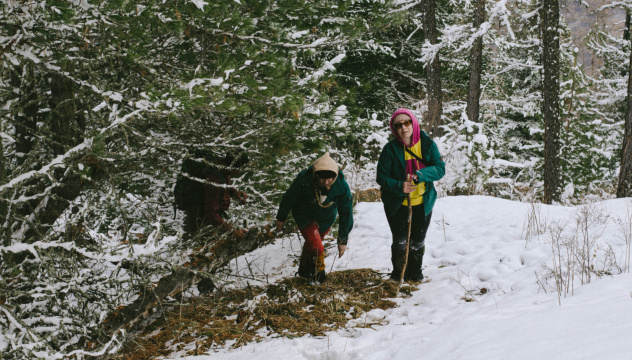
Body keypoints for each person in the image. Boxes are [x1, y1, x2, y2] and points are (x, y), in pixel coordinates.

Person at [376, 108, 445, 282]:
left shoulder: (427, 144)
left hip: (423, 202)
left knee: (417, 241)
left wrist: (421, 175)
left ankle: (415, 275)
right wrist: (400, 186)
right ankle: (399, 274)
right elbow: (381, 177)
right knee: (400, 241)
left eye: (407, 123)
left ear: (413, 123)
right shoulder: (390, 149)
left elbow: (439, 169)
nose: (403, 128)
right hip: (397, 203)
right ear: (394, 129)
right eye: (398, 125)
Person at [275, 152, 354, 283]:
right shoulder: (304, 179)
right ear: (315, 175)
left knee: (312, 244)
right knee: (317, 246)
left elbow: (346, 212)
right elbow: (289, 197)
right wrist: (281, 217)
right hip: (304, 216)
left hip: (326, 218)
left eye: (330, 178)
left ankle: (304, 272)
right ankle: (319, 276)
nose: (326, 182)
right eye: (322, 178)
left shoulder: (341, 186)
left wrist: (343, 240)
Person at [182, 151, 249, 239]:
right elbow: (210, 214)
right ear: (233, 167)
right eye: (240, 168)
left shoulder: (221, 166)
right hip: (200, 221)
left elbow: (223, 183)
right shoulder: (213, 181)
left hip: (206, 217)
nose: (240, 171)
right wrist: (232, 231)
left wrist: (234, 192)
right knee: (199, 249)